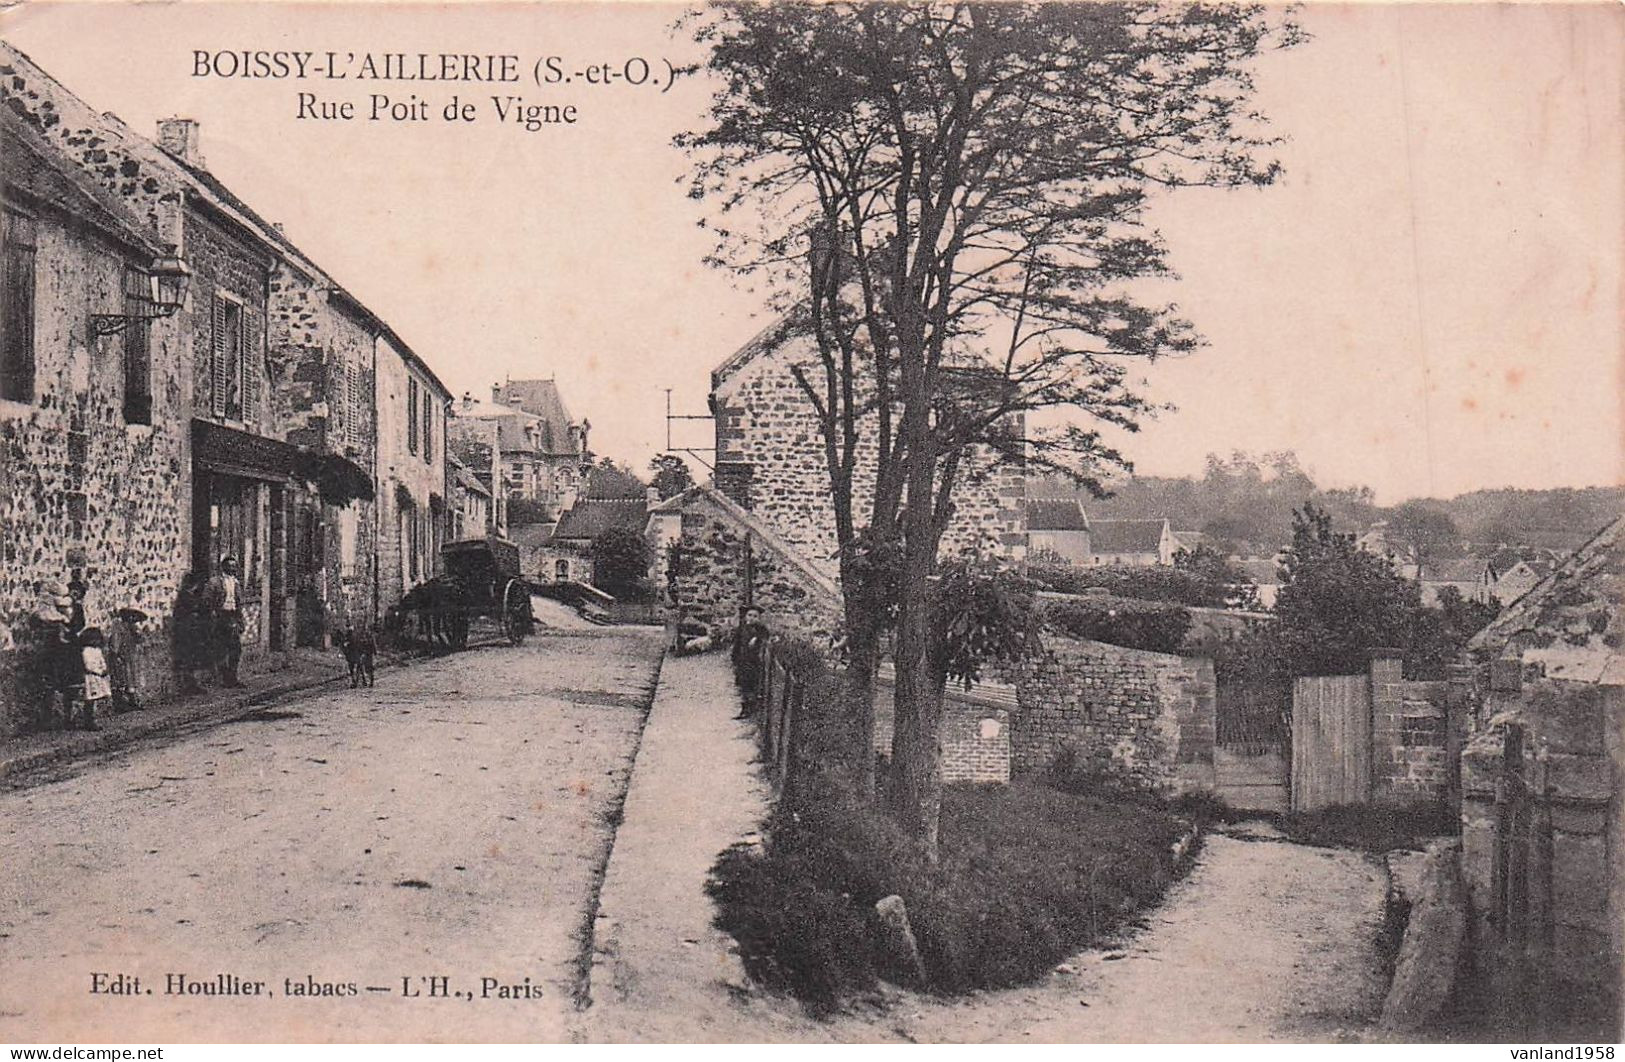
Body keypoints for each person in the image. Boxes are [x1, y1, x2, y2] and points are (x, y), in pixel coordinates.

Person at [208, 556, 245, 688]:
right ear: (223, 567)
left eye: (234, 566)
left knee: (236, 649)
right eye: (229, 566)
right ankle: (225, 678)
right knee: (221, 648)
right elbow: (208, 601)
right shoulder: (215, 582)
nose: (232, 568)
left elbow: (239, 603)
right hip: (221, 617)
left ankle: (232, 677)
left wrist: (240, 620)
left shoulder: (236, 583)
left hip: (233, 616)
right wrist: (213, 615)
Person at [173, 571, 209, 694]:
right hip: (187, 631)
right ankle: (189, 685)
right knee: (188, 658)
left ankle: (191, 683)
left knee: (191, 658)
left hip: (189, 630)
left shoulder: (186, 596)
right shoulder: (186, 596)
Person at [731, 605, 769, 719]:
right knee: (743, 685)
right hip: (743, 661)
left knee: (754, 685)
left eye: (755, 616)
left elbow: (765, 638)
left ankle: (753, 709)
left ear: (759, 618)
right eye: (750, 615)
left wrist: (757, 638)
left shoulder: (762, 630)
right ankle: (745, 709)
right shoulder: (741, 629)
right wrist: (734, 660)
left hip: (755, 663)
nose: (752, 618)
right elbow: (736, 645)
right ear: (746, 617)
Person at [108, 607, 146, 712]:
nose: (132, 619)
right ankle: (121, 704)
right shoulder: (118, 627)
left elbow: (140, 640)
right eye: (130, 617)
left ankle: (133, 700)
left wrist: (138, 631)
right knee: (121, 679)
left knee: (131, 679)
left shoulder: (133, 628)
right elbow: (115, 643)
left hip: (132, 658)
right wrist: (116, 655)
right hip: (122, 657)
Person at [77, 627, 111, 731]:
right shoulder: (86, 651)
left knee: (94, 699)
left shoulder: (97, 650)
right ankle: (88, 721)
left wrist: (104, 668)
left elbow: (101, 661)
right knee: (90, 699)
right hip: (91, 678)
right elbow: (88, 666)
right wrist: (98, 671)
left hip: (98, 677)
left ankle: (91, 719)